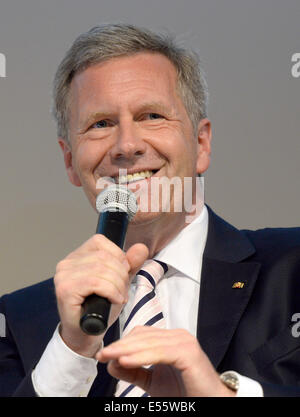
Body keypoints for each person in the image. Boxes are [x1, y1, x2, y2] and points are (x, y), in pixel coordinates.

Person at [0, 23, 300, 398]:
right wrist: (72, 349)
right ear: (70, 162)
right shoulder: (16, 319)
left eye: (151, 116)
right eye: (101, 124)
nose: (127, 145)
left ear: (201, 143)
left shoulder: (292, 268)